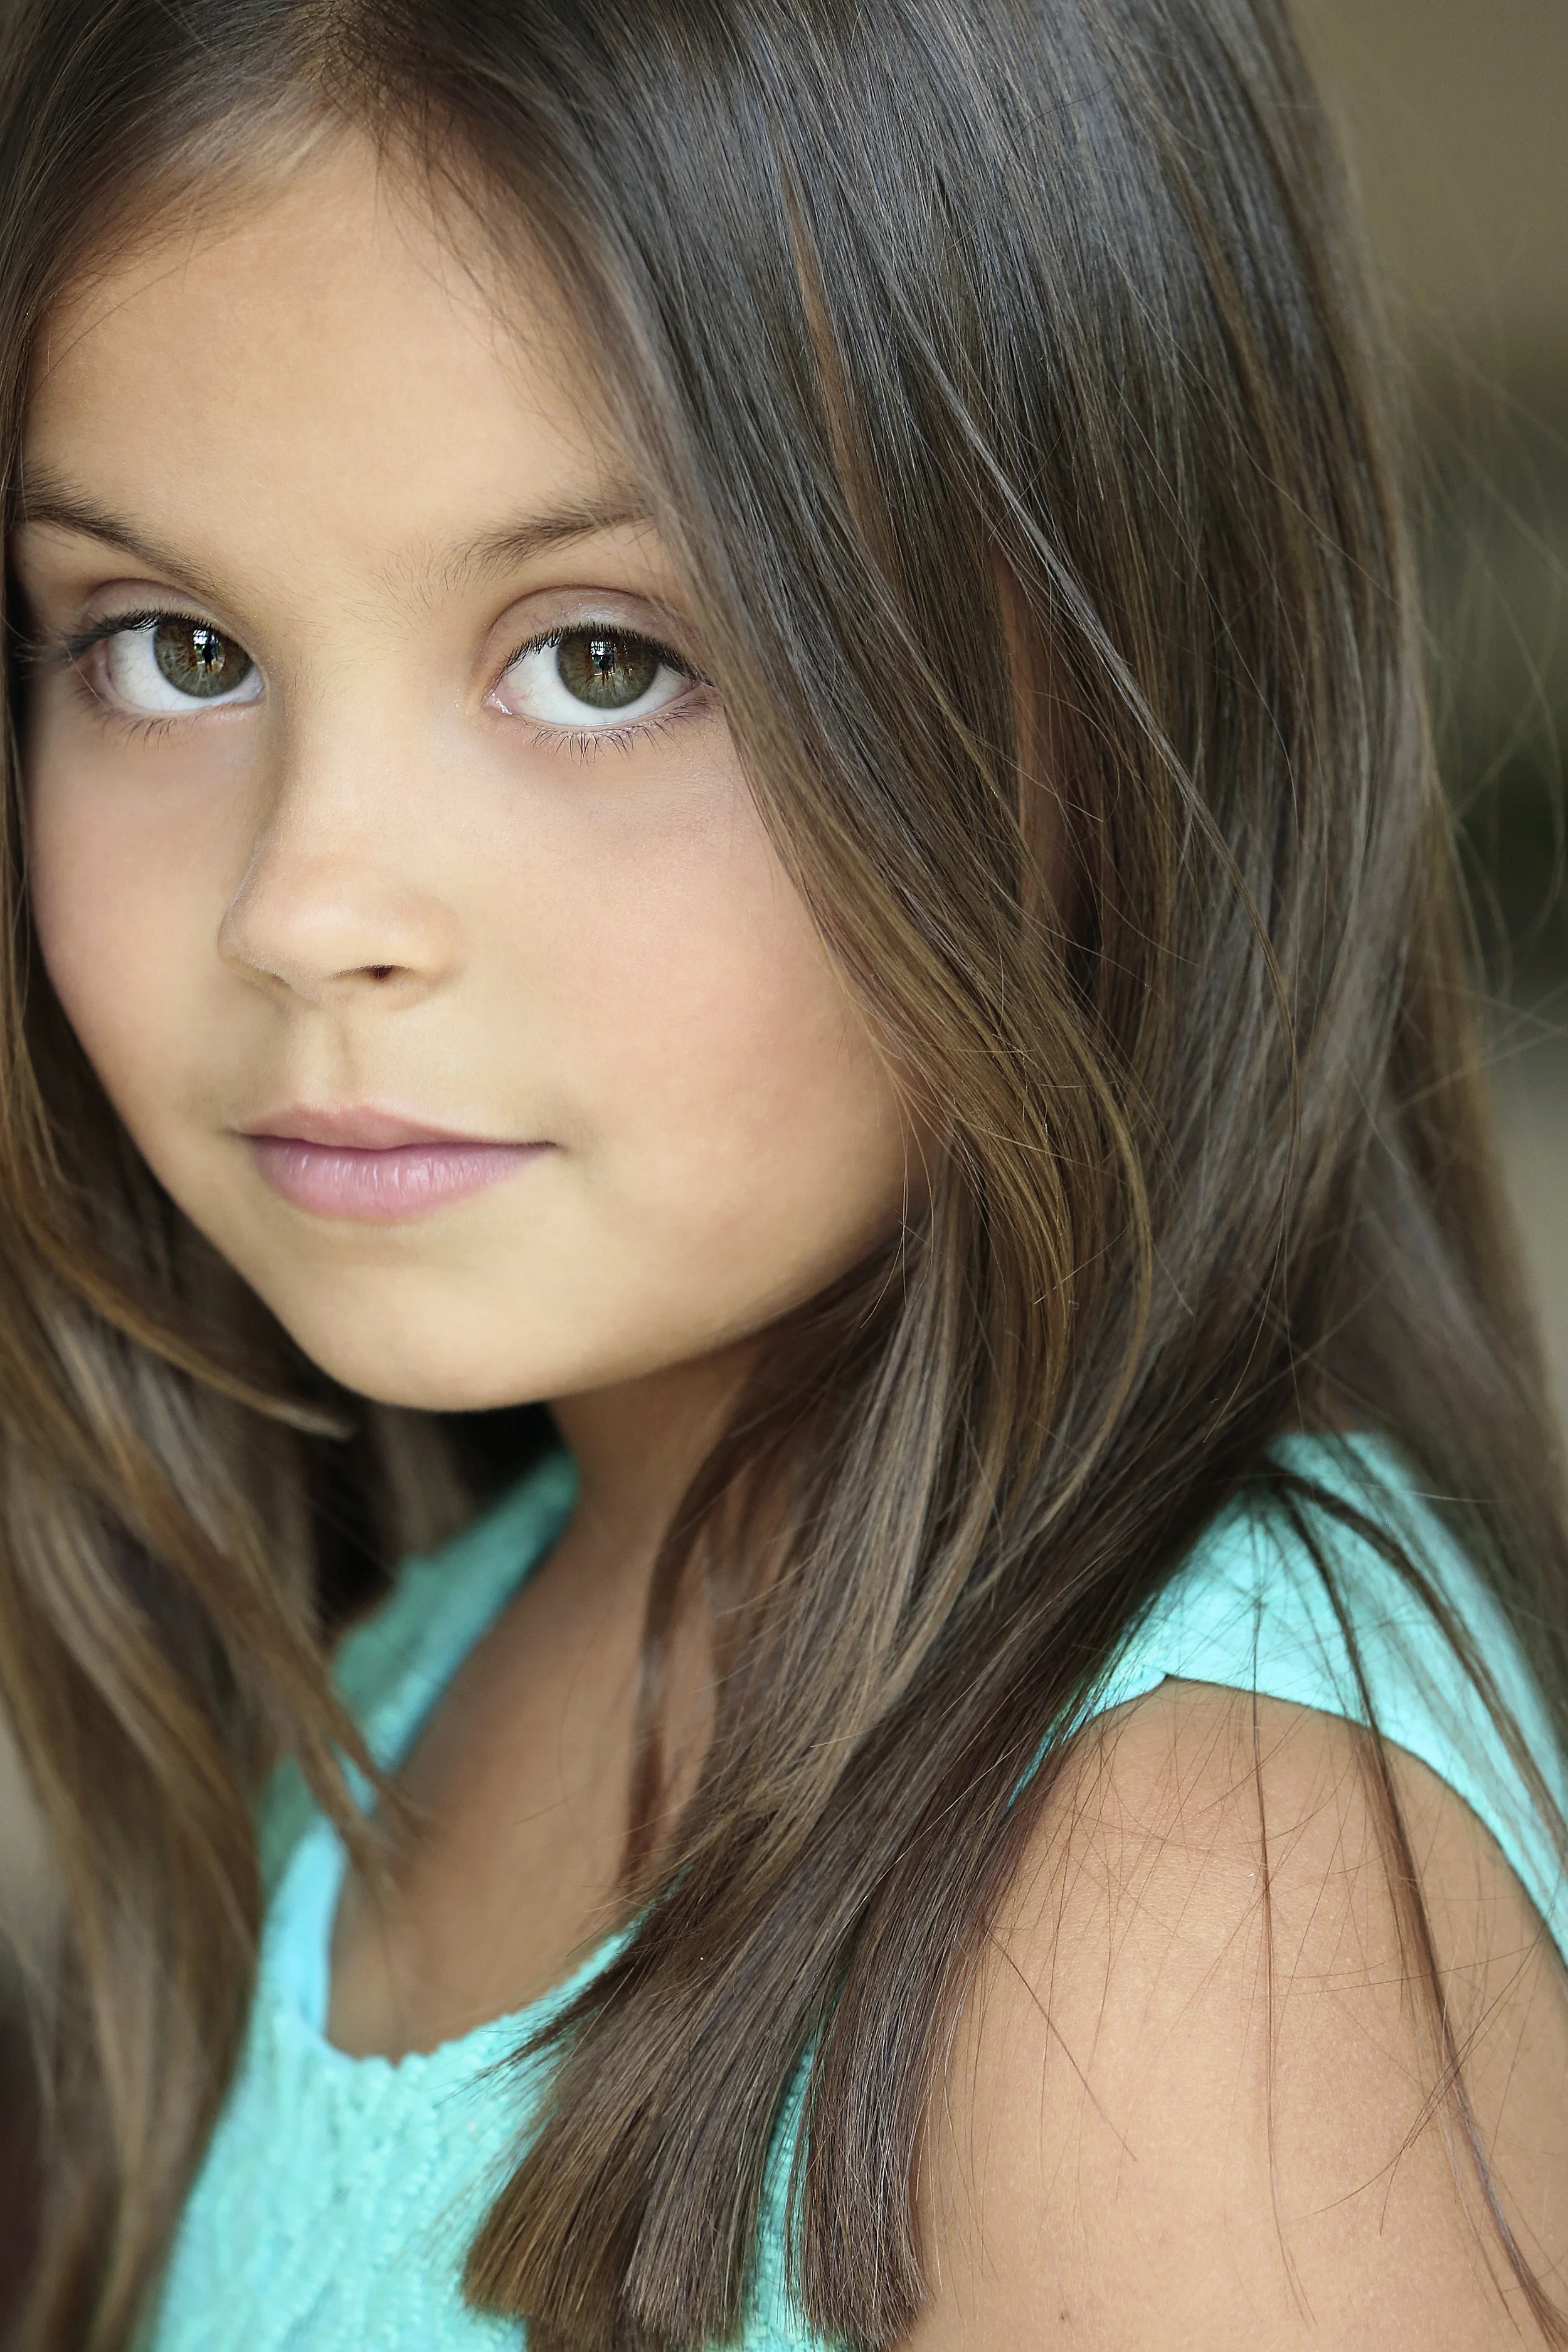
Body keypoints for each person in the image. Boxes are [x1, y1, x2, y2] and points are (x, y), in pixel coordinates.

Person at [0, 0, 1564, 2344]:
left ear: (1125, 690)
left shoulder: (1177, 1903)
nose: (303, 908)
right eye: (174, 645)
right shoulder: (424, 1660)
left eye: (602, 662)